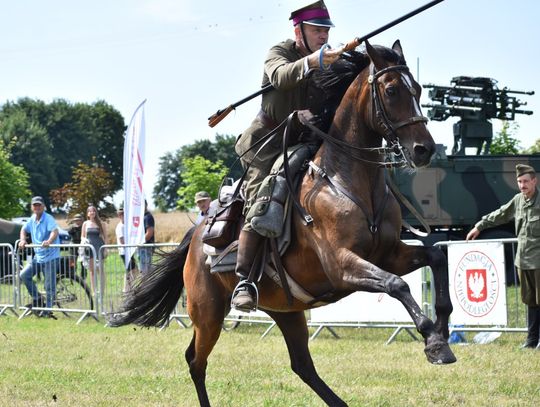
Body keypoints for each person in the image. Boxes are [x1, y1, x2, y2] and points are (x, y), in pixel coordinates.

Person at [231, 0, 342, 311]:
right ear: (298, 31)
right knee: (262, 202)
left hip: (304, 144)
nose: (323, 36)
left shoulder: (328, 58)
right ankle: (246, 281)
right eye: (317, 30)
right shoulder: (278, 53)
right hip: (265, 146)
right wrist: (317, 61)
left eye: (326, 31)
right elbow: (281, 77)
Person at [466, 164, 540, 349]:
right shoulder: (518, 200)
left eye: (526, 181)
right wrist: (479, 226)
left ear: (534, 181)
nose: (522, 185)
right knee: (530, 301)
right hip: (523, 260)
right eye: (519, 181)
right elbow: (500, 214)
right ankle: (531, 341)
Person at [18, 196, 60, 316]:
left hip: (51, 256)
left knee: (48, 286)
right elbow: (23, 229)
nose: (37, 207)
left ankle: (47, 311)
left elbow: (55, 231)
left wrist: (49, 241)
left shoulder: (48, 218)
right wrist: (22, 240)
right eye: (35, 205)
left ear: (43, 206)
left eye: (39, 205)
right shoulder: (32, 219)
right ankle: (37, 299)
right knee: (24, 275)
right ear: (32, 207)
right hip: (38, 256)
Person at [81, 205, 107, 294]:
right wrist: (84, 241)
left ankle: (102, 290)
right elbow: (82, 236)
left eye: (93, 211)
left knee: (100, 270)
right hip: (90, 249)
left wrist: (106, 249)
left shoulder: (101, 223)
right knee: (92, 270)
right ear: (87, 214)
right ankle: (94, 291)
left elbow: (105, 237)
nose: (92, 212)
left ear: (96, 213)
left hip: (99, 247)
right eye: (90, 211)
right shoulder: (85, 223)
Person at [115, 205, 139, 292]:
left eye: (124, 214)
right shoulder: (120, 227)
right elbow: (122, 241)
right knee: (131, 270)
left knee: (134, 269)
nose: (123, 216)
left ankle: (129, 287)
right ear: (119, 216)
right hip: (124, 252)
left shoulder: (127, 225)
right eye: (121, 214)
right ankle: (127, 288)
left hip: (129, 251)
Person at [138, 200, 155, 273]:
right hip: (143, 247)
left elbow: (149, 233)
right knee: (145, 270)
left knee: (145, 272)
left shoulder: (148, 217)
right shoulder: (142, 216)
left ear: (146, 205)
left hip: (146, 247)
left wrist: (139, 242)